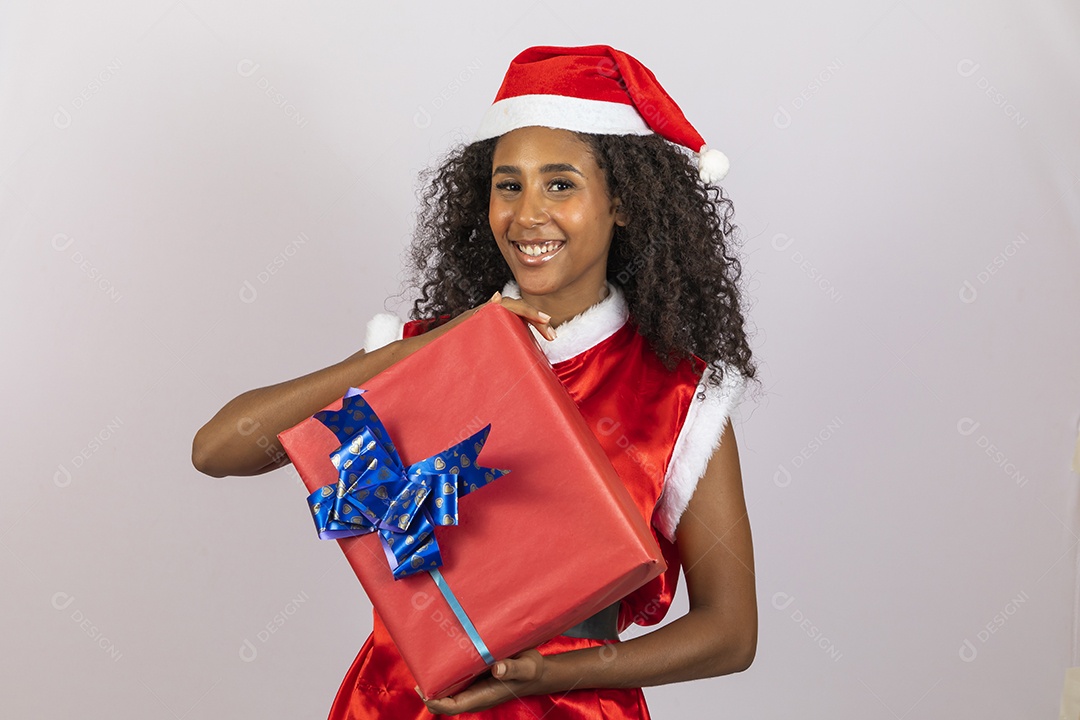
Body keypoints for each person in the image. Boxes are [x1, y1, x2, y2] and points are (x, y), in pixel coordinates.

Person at [193, 44, 760, 719]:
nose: (526, 215)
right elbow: (218, 449)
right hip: (400, 703)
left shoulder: (677, 396)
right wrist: (431, 346)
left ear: (625, 204)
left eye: (560, 184)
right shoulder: (424, 353)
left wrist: (549, 676)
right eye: (508, 184)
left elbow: (730, 633)